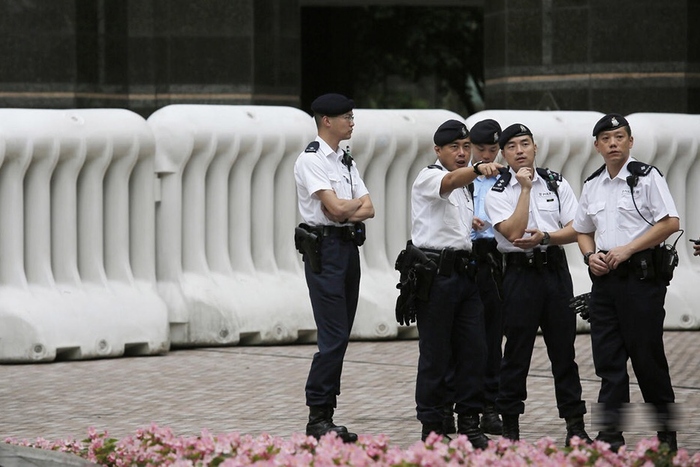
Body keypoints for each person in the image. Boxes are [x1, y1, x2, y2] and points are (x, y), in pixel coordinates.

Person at [573, 113, 680, 452]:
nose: (613, 143)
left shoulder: (647, 178)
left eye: (619, 137)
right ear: (597, 146)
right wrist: (590, 256)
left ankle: (667, 436)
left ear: (630, 142)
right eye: (606, 138)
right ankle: (610, 438)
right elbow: (582, 229)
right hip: (605, 283)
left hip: (642, 281)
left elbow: (670, 223)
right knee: (608, 363)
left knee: (648, 360)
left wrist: (628, 249)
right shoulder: (592, 184)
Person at [484, 123, 592, 446]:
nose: (520, 151)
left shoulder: (556, 183)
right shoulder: (498, 191)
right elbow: (514, 233)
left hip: (555, 272)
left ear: (535, 148)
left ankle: (575, 426)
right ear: (503, 153)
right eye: (513, 146)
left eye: (525, 144)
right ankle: (510, 428)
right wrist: (526, 190)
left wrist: (547, 236)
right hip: (519, 275)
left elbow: (578, 227)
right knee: (517, 352)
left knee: (564, 351)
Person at [407, 119, 502, 448]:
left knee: (475, 351)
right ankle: (432, 425)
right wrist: (477, 169)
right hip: (436, 276)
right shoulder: (430, 177)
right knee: (436, 354)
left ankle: (470, 423)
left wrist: (471, 222)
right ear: (438, 151)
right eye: (454, 148)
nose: (462, 153)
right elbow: (449, 180)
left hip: (466, 275)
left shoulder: (466, 186)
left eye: (466, 147)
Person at [293, 93, 375, 443]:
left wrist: (346, 207)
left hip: (347, 248)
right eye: (346, 117)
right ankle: (318, 417)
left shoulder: (344, 160)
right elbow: (333, 210)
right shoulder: (312, 160)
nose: (351, 122)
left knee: (341, 335)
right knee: (333, 336)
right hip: (324, 250)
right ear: (326, 120)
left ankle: (327, 415)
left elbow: (367, 208)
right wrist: (345, 208)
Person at [468, 119, 505, 436]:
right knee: (463, 336)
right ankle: (457, 404)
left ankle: (490, 406)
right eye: (481, 149)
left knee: (493, 336)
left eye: (494, 150)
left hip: (497, 257)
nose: (488, 156)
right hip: (467, 257)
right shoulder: (460, 178)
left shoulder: (508, 179)